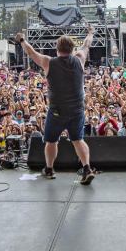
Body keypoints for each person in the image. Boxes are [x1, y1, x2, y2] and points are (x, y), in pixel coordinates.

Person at [15, 26, 96, 184]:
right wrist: (91, 32)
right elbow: (86, 44)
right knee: (78, 139)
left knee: (51, 141)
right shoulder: (79, 59)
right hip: (77, 110)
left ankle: (50, 169)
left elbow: (31, 52)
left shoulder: (49, 62)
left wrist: (22, 40)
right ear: (72, 48)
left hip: (57, 110)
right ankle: (87, 168)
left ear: (57, 48)